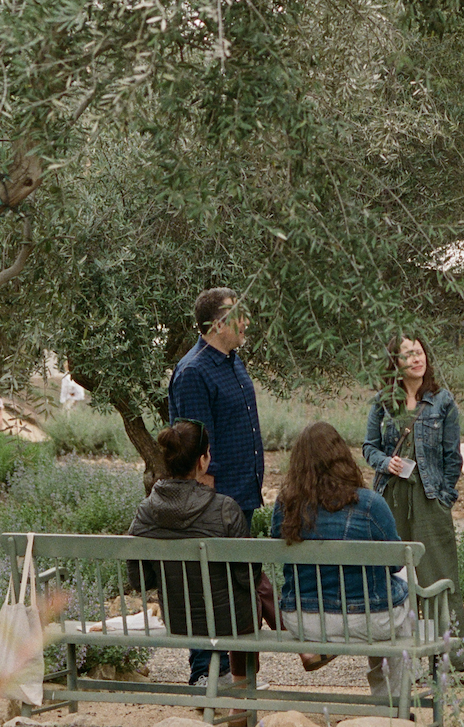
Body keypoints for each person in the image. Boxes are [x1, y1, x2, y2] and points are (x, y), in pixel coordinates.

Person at [270, 422, 414, 699]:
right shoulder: (370, 504)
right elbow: (396, 563)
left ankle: (327, 644)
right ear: (343, 458)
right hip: (367, 619)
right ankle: (393, 701)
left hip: (303, 620)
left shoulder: (285, 507)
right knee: (404, 582)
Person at [167, 287, 263, 685]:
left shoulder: (232, 362)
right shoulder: (193, 372)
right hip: (216, 501)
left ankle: (236, 674)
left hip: (242, 495)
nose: (246, 322)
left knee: (236, 588)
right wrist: (209, 506)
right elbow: (196, 450)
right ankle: (205, 673)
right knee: (208, 586)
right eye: (239, 315)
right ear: (218, 323)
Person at [127, 421, 264, 696]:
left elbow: (141, 580)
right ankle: (243, 690)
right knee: (256, 595)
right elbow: (247, 577)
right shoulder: (225, 509)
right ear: (203, 461)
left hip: (179, 620)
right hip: (229, 621)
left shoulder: (145, 512)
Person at [364, 336, 464, 675]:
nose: (416, 359)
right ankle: (399, 664)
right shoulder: (383, 402)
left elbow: (453, 457)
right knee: (394, 579)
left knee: (442, 578)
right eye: (408, 354)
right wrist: (385, 463)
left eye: (420, 352)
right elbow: (369, 447)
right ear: (395, 363)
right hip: (391, 500)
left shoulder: (443, 401)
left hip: (429, 501)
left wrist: (445, 498)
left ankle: (457, 662)